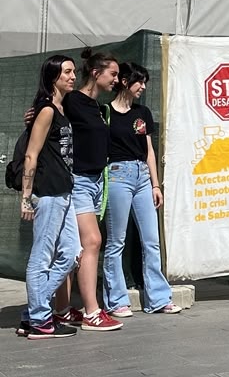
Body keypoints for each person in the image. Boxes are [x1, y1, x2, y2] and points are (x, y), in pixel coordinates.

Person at [102, 63, 182, 316]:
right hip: (117, 175)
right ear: (125, 81)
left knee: (152, 240)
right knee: (116, 241)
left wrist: (155, 184)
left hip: (142, 177)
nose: (143, 87)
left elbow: (149, 150)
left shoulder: (143, 113)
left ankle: (158, 298)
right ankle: (116, 300)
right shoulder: (105, 112)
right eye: (140, 82)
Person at [53, 49, 124, 331]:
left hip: (96, 181)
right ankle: (92, 312)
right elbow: (47, 116)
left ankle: (61, 309)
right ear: (96, 73)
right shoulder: (72, 101)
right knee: (91, 241)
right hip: (77, 180)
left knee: (71, 247)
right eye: (113, 74)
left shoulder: (97, 107)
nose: (117, 80)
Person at [17, 56, 82, 340]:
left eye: (73, 71)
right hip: (48, 192)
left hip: (65, 190)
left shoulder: (60, 108)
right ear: (53, 76)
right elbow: (31, 154)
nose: (72, 76)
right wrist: (26, 196)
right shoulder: (45, 110)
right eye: (67, 72)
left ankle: (34, 313)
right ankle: (41, 320)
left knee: (70, 252)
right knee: (41, 258)